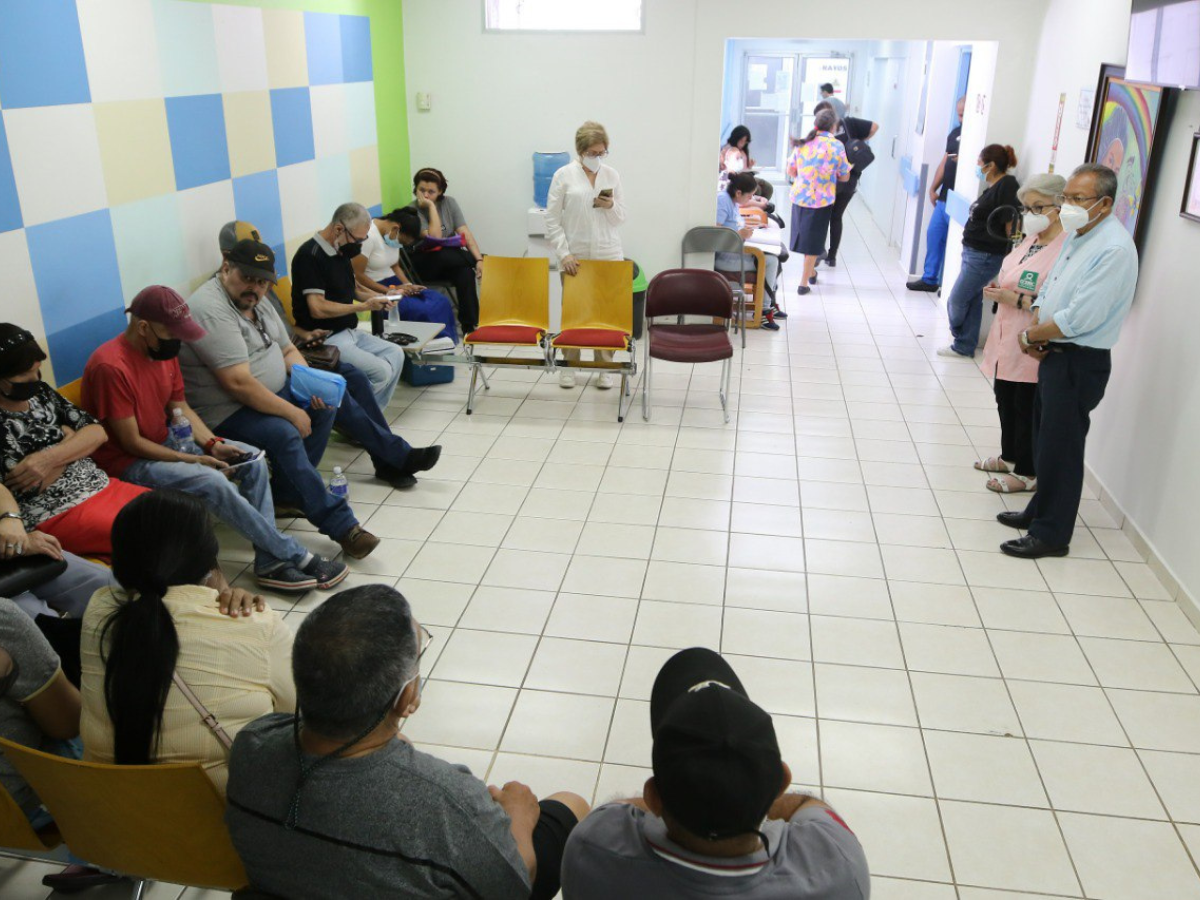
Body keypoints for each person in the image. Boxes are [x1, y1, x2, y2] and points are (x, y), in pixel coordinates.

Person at [225, 584, 591, 899]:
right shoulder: (448, 800)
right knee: (570, 805)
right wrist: (520, 819)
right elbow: (513, 886)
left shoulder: (252, 744)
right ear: (404, 697)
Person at [179, 239, 441, 559]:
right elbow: (238, 384)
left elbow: (288, 349)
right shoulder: (211, 309)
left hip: (267, 392)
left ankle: (294, 492)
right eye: (247, 278)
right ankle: (344, 527)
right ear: (225, 268)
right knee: (286, 432)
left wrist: (310, 384)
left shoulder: (256, 300)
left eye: (262, 282)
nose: (255, 288)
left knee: (331, 397)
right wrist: (292, 411)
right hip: (227, 409)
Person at [82, 285, 348, 593]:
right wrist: (193, 459)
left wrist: (211, 444)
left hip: (168, 440)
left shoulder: (163, 352)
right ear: (143, 327)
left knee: (253, 461)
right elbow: (131, 443)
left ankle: (269, 562)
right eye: (172, 334)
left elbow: (179, 407)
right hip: (130, 461)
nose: (178, 343)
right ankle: (294, 555)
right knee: (213, 482)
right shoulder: (111, 366)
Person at [561, 647, 869, 898]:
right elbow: (807, 806)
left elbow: (618, 810)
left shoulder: (592, 850)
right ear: (780, 781)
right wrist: (742, 790)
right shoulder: (839, 865)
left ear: (654, 797)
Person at [80, 490, 293, 793]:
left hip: (113, 818)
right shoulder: (258, 623)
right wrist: (220, 589)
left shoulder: (98, 610)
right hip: (219, 825)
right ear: (208, 560)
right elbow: (297, 717)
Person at [999, 163, 1139, 559]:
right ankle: (1037, 511)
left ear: (1105, 203)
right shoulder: (1081, 234)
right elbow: (1053, 286)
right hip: (1054, 354)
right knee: (1045, 443)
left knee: (1061, 449)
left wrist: (1030, 335)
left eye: (1079, 199)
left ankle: (1051, 535)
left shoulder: (1113, 249)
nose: (1069, 206)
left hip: (1079, 361)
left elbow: (1080, 318)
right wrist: (1038, 323)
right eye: (1067, 199)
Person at [1, 599, 126, 894]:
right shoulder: (4, 622)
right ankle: (107, 854)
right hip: (12, 811)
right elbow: (68, 723)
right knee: (99, 723)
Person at [0, 325, 148, 562]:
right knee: (154, 533)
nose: (35, 379)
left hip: (101, 485)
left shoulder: (41, 394)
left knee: (181, 515)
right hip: (56, 510)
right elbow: (25, 486)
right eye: (24, 374)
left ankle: (215, 596)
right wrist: (72, 443)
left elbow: (98, 432)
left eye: (37, 371)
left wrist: (48, 458)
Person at [976, 174, 1067, 494]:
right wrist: (999, 289)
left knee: (1025, 405)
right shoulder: (1031, 240)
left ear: (1059, 206)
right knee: (1004, 397)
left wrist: (1011, 298)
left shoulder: (1064, 250)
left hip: (1032, 341)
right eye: (1026, 208)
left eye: (1037, 207)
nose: (1029, 215)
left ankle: (1027, 472)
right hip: (1006, 334)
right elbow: (1013, 275)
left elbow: (1054, 302)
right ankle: (1010, 455)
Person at [290, 203, 405, 409]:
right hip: (327, 337)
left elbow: (354, 289)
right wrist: (362, 307)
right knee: (381, 372)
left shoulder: (341, 251)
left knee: (396, 353)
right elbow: (317, 307)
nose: (360, 245)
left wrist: (382, 298)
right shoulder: (310, 256)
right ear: (338, 230)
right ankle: (360, 423)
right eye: (358, 239)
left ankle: (371, 420)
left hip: (349, 331)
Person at [545, 120, 628, 390]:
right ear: (580, 151)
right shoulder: (563, 175)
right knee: (575, 312)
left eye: (602, 152)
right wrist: (564, 253)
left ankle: (604, 367)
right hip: (575, 255)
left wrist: (611, 204)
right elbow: (552, 220)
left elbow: (620, 218)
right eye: (592, 153)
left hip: (608, 252)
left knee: (605, 313)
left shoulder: (612, 176)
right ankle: (570, 366)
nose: (597, 158)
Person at [938, 143, 1021, 359]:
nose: (977, 166)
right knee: (973, 300)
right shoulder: (992, 187)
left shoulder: (1007, 186)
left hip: (985, 255)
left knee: (956, 300)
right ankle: (964, 345)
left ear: (991, 165)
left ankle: (957, 334)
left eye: (979, 162)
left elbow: (1009, 226)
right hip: (973, 252)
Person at [350, 208, 458, 341]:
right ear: (396, 228)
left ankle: (443, 345)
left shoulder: (392, 236)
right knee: (424, 310)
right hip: (375, 287)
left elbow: (395, 266)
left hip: (395, 284)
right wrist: (391, 290)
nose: (400, 245)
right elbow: (358, 275)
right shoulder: (368, 237)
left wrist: (408, 285)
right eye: (402, 242)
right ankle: (425, 345)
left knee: (439, 301)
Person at [406, 168, 483, 337]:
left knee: (465, 273)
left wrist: (478, 260)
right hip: (423, 261)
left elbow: (464, 232)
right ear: (415, 189)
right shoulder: (411, 210)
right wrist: (431, 207)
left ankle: (469, 326)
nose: (425, 195)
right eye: (421, 190)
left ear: (440, 191)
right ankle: (478, 259)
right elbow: (434, 237)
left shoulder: (450, 203)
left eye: (431, 192)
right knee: (442, 253)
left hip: (449, 259)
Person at [786, 109, 851, 296]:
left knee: (806, 241)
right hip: (821, 201)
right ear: (833, 126)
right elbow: (845, 176)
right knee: (813, 242)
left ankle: (810, 273)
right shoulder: (836, 146)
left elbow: (791, 170)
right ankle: (803, 284)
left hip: (800, 197)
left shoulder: (803, 143)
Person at [908, 97, 967, 292]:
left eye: (965, 114)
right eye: (959, 114)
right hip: (944, 197)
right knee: (934, 235)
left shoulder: (975, 138)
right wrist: (933, 188)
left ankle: (950, 284)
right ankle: (930, 279)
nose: (962, 118)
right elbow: (944, 163)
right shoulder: (955, 134)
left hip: (960, 201)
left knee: (957, 244)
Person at [814, 101, 879, 268]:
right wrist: (856, 143)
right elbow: (874, 126)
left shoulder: (821, 136)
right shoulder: (850, 123)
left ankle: (819, 251)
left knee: (823, 216)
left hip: (831, 181)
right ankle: (832, 257)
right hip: (850, 179)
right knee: (836, 217)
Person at [718, 172, 782, 331]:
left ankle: (768, 305)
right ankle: (763, 311)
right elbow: (715, 233)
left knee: (774, 259)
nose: (751, 200)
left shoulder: (732, 201)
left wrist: (752, 227)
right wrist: (740, 234)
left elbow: (734, 224)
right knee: (771, 261)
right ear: (739, 192)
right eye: (750, 196)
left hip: (735, 249)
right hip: (724, 257)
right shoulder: (723, 201)